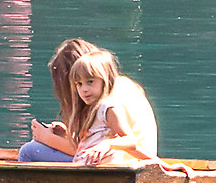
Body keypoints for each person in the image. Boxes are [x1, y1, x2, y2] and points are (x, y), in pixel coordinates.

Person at [19, 40, 159, 165]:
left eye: (88, 82)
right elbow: (102, 134)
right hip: (136, 158)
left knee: (30, 150)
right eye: (79, 84)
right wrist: (65, 134)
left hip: (124, 164)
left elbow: (91, 148)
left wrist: (47, 138)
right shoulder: (121, 85)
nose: (83, 89)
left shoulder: (108, 102)